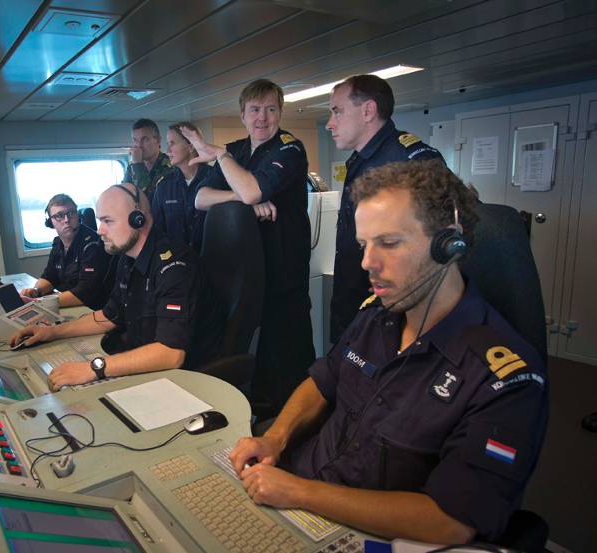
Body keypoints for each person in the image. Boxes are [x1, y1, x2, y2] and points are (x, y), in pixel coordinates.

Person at [229, 160, 548, 545]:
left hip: (359, 534)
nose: (367, 263)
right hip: (292, 496)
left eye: (389, 243)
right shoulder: (376, 316)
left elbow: (451, 520)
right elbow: (322, 383)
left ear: (448, 244)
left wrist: (297, 492)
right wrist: (275, 439)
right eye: (365, 245)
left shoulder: (504, 377)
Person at [10, 183, 223, 390]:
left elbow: (171, 353)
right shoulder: (127, 258)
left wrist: (94, 368)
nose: (100, 230)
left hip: (178, 379)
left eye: (107, 221)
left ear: (138, 220)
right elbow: (109, 316)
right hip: (141, 360)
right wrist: (52, 332)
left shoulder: (175, 267)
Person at [185, 79, 314, 412]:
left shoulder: (289, 148)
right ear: (242, 114)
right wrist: (239, 198)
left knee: (287, 364)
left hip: (283, 279)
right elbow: (199, 198)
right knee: (253, 363)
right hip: (247, 277)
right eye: (255, 110)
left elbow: (254, 191)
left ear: (280, 113)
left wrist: (229, 170)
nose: (262, 118)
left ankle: (295, 429)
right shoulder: (238, 151)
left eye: (271, 109)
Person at [327, 74, 445, 345]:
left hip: (389, 308)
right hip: (355, 297)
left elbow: (445, 228)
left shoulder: (408, 159)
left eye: (337, 112)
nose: (330, 124)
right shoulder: (360, 157)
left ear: (368, 111)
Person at [20, 194, 112, 310]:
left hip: (91, 308)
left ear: (78, 216)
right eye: (59, 216)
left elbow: (85, 292)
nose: (66, 220)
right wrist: (36, 291)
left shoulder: (93, 244)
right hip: (68, 303)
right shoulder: (58, 243)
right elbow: (50, 276)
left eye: (71, 213)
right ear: (50, 222)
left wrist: (39, 302)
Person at [150, 122, 210, 252]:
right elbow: (158, 231)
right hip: (179, 264)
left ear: (190, 146)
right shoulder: (164, 187)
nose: (168, 151)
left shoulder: (214, 178)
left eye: (172, 143)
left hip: (212, 260)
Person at [122, 118, 173, 200]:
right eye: (135, 140)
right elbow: (124, 196)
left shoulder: (170, 166)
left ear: (158, 140)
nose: (139, 145)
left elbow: (149, 199)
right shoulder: (132, 168)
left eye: (145, 139)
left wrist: (138, 166)